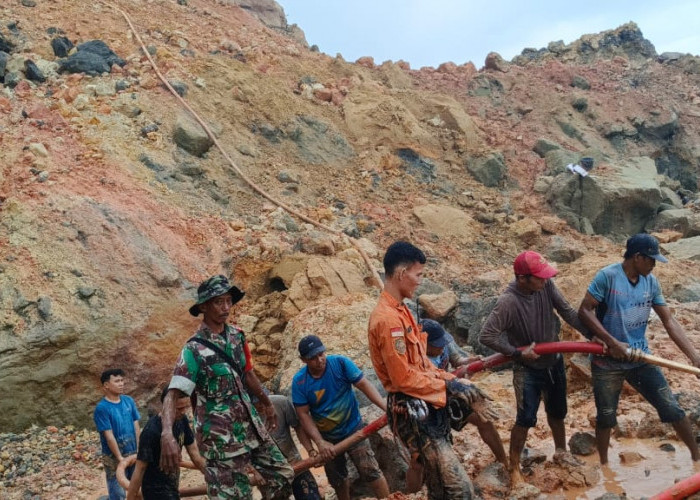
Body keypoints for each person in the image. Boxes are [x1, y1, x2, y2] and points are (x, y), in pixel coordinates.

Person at [368, 241, 487, 499]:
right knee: (459, 489)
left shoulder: (403, 311)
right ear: (402, 274)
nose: (420, 281)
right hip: (412, 412)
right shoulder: (388, 320)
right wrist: (448, 387)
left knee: (439, 486)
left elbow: (421, 365)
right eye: (418, 275)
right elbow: (402, 378)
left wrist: (454, 381)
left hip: (426, 406)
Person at [159, 274, 294, 499]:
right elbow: (172, 395)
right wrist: (167, 434)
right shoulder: (193, 349)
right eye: (218, 302)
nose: (226, 307)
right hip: (220, 440)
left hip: (250, 427)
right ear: (203, 306)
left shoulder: (237, 336)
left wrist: (267, 404)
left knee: (281, 476)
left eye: (228, 300)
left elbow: (248, 374)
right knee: (235, 496)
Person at [578, 233, 700, 465]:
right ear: (637, 257)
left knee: (672, 408)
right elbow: (584, 310)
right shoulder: (608, 277)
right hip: (607, 362)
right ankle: (604, 467)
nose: (654, 265)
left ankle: (697, 458)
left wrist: (694, 356)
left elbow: (669, 321)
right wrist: (612, 342)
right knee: (606, 417)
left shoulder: (650, 282)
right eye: (651, 260)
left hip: (640, 358)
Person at [480, 250, 590, 485]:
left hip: (554, 360)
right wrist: (517, 352)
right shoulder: (508, 301)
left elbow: (568, 312)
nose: (544, 280)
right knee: (526, 418)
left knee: (558, 411)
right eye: (539, 277)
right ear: (522, 278)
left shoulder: (546, 286)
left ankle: (561, 451)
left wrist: (593, 336)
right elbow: (487, 335)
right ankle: (514, 467)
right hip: (527, 368)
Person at [292, 334, 390, 500]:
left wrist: (386, 408)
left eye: (321, 354)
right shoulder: (300, 382)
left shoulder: (340, 363)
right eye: (313, 358)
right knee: (338, 479)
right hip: (327, 438)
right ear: (303, 360)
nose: (320, 360)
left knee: (370, 470)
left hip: (353, 428)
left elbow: (364, 385)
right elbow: (303, 415)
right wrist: (319, 442)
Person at [421, 319, 508, 467]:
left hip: (451, 391)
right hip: (428, 403)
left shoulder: (444, 340)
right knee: (429, 453)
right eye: (437, 345)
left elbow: (457, 359)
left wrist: (470, 361)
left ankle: (504, 462)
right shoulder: (414, 356)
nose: (442, 347)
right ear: (424, 343)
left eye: (443, 343)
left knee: (484, 420)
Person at [126, 388, 206, 500]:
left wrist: (212, 475)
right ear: (166, 406)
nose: (183, 411)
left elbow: (194, 453)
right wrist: (130, 498)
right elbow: (140, 468)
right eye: (179, 408)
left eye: (185, 407)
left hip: (172, 486)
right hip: (155, 490)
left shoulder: (182, 420)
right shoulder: (151, 431)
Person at [250, 392, 322, 500]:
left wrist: (310, 450)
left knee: (311, 496)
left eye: (262, 401)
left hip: (294, 463)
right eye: (256, 403)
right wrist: (254, 472)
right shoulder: (244, 417)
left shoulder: (280, 402)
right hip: (269, 473)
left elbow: (298, 426)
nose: (261, 405)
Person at [94, 368, 141, 500]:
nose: (121, 384)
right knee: (117, 491)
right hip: (113, 457)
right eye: (117, 381)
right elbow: (109, 436)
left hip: (133, 452)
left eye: (122, 380)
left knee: (137, 486)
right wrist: (120, 458)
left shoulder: (128, 401)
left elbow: (136, 426)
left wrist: (139, 450)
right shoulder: (102, 408)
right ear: (106, 385)